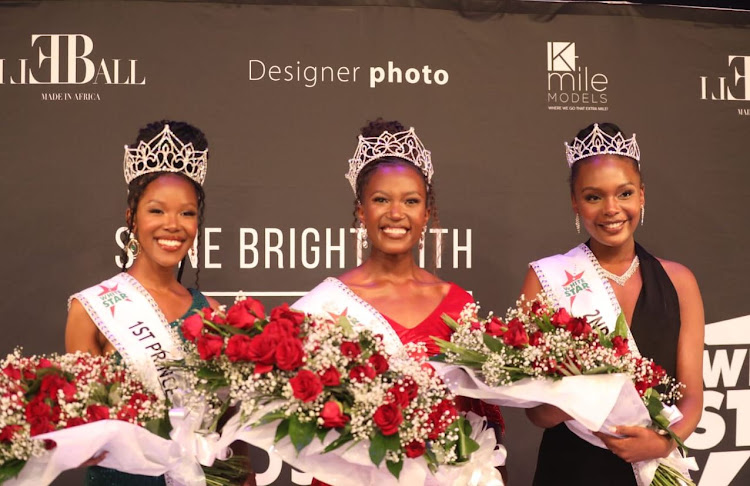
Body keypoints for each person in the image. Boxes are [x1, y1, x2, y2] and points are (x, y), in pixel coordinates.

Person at [293, 118, 505, 485]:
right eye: (381, 200)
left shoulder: (455, 303)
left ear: (426, 214)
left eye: (410, 201)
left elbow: (481, 418)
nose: (396, 214)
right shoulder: (325, 306)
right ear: (361, 211)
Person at [65, 121, 253, 486]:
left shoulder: (215, 315)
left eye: (186, 213)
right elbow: (82, 429)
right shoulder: (92, 310)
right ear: (131, 219)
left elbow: (232, 430)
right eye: (156, 211)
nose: (173, 225)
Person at [519, 123, 704, 485]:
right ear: (575, 201)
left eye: (624, 193)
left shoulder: (680, 282)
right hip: (571, 469)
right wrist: (569, 396)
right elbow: (537, 415)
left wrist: (664, 441)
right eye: (593, 197)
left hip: (654, 467)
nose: (611, 209)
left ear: (642, 196)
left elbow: (692, 396)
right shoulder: (546, 278)